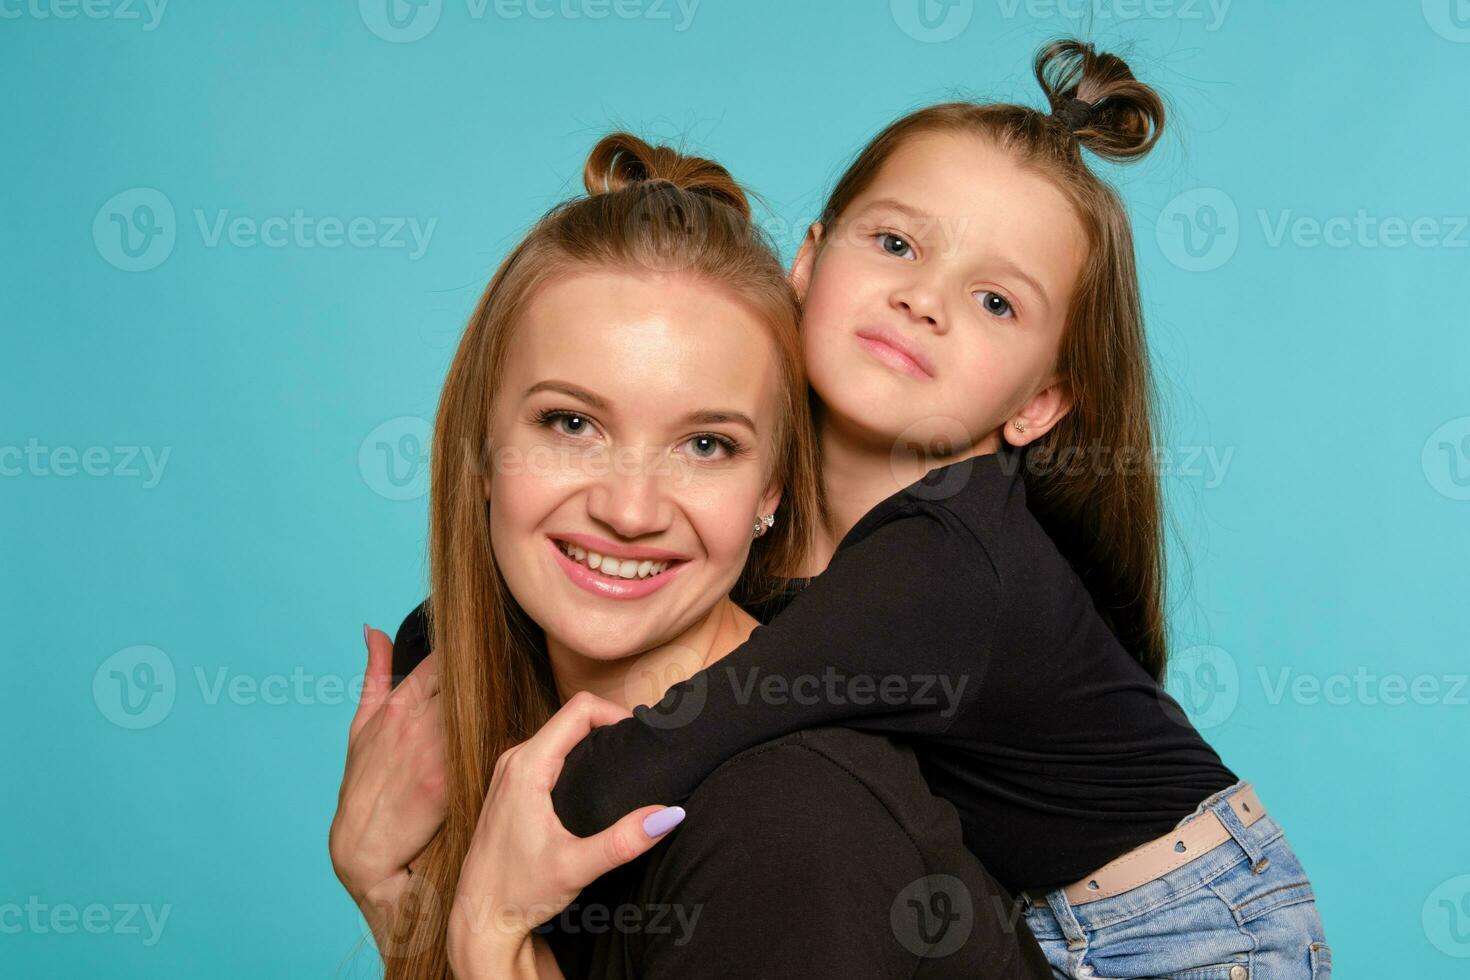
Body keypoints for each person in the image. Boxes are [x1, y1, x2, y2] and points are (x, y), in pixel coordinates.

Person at [389, 38, 1333, 976]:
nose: (924, 299)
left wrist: (481, 869)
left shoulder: (950, 562)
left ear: (1041, 403)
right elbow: (509, 608)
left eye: (996, 301)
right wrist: (440, 657)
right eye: (895, 243)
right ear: (807, 262)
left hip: (1193, 932)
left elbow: (684, 734)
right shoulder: (766, 532)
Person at [330, 131, 1051, 978]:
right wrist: (388, 892)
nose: (629, 511)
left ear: (773, 491)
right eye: (571, 424)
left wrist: (489, 935)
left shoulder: (786, 825)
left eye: (706, 445)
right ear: (481, 448)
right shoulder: (454, 695)